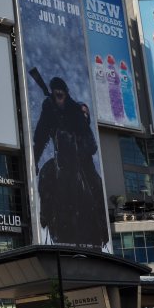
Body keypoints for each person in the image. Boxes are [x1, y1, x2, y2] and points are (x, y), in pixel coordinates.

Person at [33, 76, 109, 247]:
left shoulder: (76, 110)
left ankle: (102, 229)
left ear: (66, 94)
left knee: (96, 185)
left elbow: (92, 144)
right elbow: (40, 138)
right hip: (62, 156)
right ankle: (45, 217)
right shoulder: (48, 108)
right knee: (46, 175)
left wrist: (79, 153)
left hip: (82, 159)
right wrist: (35, 161)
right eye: (56, 94)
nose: (59, 97)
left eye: (61, 94)